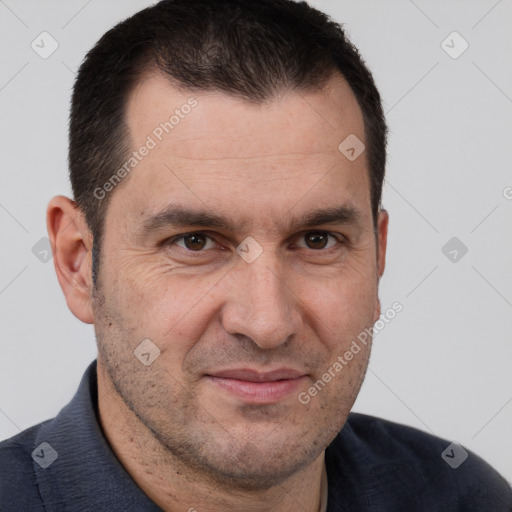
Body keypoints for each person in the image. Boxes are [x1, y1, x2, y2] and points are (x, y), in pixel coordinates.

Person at [1, 0, 510, 510]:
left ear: (378, 257)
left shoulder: (465, 497)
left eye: (318, 240)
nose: (267, 323)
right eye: (195, 241)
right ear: (77, 263)